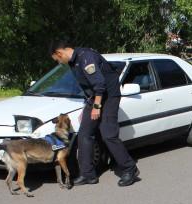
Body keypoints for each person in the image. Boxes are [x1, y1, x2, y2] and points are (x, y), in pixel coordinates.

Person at [49, 40, 140, 187]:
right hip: (95, 97)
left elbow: (99, 84)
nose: (59, 63)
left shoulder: (86, 57)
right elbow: (88, 87)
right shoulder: (74, 62)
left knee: (108, 134)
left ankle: (130, 168)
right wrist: (89, 106)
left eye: (57, 60)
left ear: (59, 53)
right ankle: (88, 174)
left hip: (109, 96)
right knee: (85, 133)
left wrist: (96, 107)